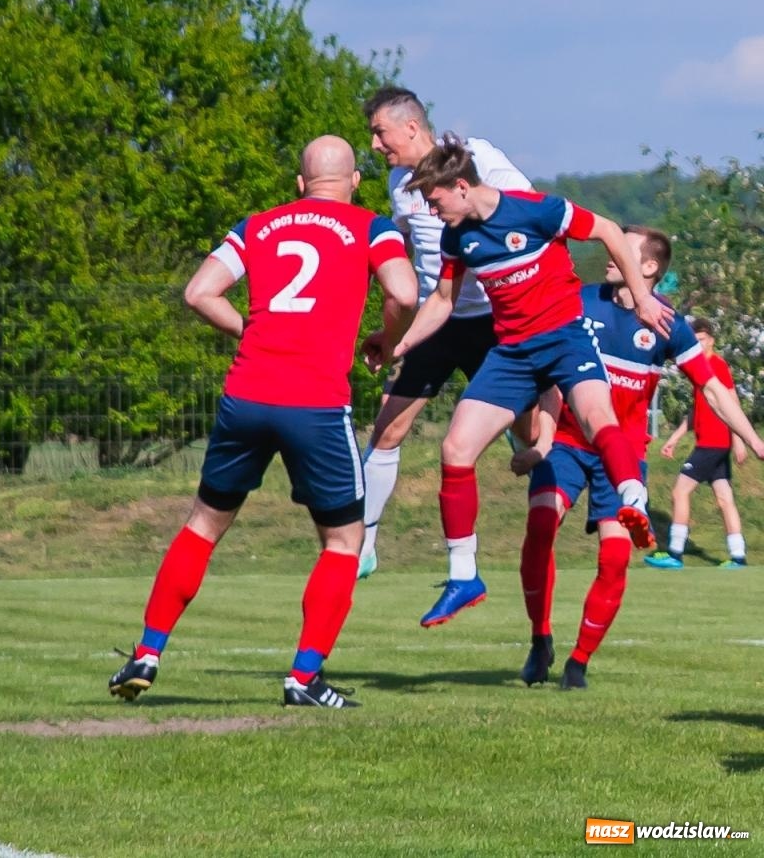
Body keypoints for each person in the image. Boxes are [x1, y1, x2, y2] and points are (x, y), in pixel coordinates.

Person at [108, 135, 419, 709]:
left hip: (246, 394)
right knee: (344, 540)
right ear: (354, 182)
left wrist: (249, 331)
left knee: (203, 525)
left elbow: (199, 292)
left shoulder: (259, 225)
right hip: (316, 405)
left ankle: (147, 652)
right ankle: (303, 678)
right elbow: (404, 290)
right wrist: (388, 338)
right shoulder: (371, 227)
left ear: (300, 184)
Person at [378, 137, 673, 627]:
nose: (430, 211)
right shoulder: (457, 238)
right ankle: (464, 576)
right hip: (512, 353)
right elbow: (443, 302)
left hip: (565, 340)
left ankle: (633, 502)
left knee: (597, 416)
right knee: (455, 448)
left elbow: (606, 231)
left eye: (435, 200)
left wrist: (641, 298)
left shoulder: (537, 211)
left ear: (461, 186)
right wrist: (402, 344)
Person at [511, 228, 764, 689]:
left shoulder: (668, 322)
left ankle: (578, 663)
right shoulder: (580, 301)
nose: (610, 252)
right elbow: (545, 373)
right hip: (566, 443)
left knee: (614, 559)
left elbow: (712, 388)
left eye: (622, 247)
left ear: (648, 266)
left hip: (622, 457)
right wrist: (540, 439)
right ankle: (539, 638)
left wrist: (754, 439)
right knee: (540, 527)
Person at [357, 86, 535, 579]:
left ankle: (548, 511)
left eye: (379, 132)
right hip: (437, 320)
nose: (375, 145)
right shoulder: (398, 180)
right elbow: (412, 255)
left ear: (411, 127)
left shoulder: (480, 157)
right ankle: (362, 547)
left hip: (492, 320)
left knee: (529, 431)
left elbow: (527, 210)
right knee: (389, 425)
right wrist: (393, 331)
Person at [650, 319, 754, 569]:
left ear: (712, 340)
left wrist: (739, 441)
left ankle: (675, 553)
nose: (699, 343)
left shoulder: (717, 366)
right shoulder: (700, 369)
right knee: (724, 498)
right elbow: (696, 412)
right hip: (712, 444)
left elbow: (732, 404)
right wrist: (673, 439)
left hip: (713, 444)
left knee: (680, 491)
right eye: (695, 340)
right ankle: (738, 556)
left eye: (703, 339)